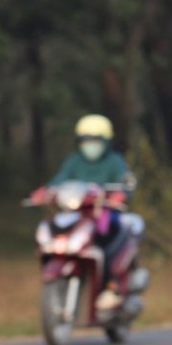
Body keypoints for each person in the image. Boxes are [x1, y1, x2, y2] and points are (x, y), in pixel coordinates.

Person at [41, 114, 140, 314]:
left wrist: (120, 194)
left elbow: (124, 182)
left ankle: (111, 286)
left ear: (105, 141)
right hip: (78, 213)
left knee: (105, 236)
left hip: (103, 213)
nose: (90, 145)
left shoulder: (114, 162)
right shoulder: (74, 161)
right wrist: (46, 191)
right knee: (54, 229)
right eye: (86, 141)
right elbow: (59, 181)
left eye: (95, 141)